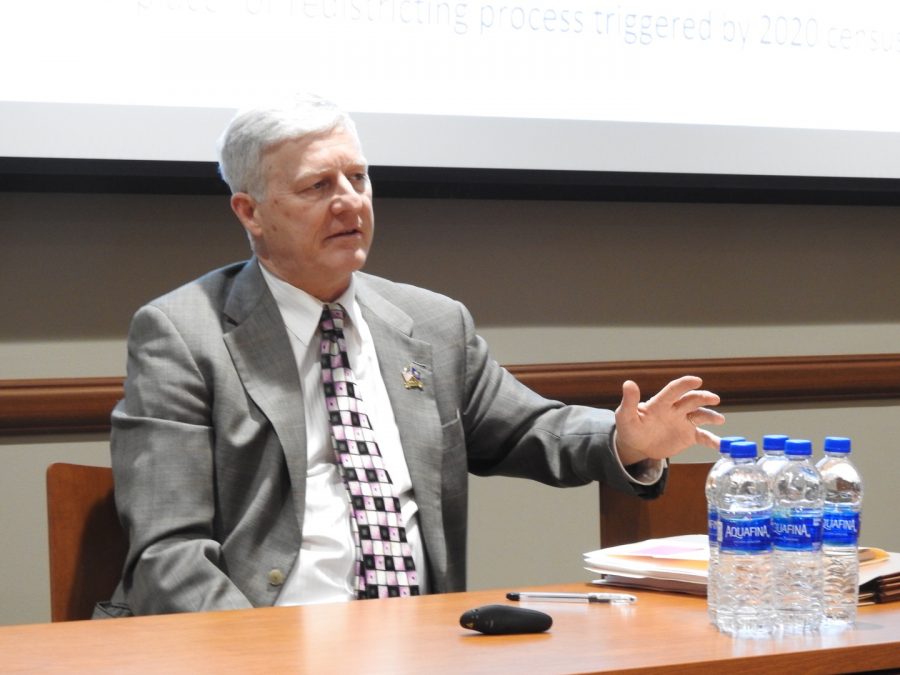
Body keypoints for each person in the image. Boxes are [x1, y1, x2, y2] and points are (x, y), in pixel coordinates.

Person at [96, 93, 724, 617]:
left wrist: (629, 440)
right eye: (318, 185)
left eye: (359, 178)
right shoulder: (182, 333)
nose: (350, 201)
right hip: (262, 638)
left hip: (417, 641)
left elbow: (528, 429)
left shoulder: (430, 323)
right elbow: (168, 555)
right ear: (250, 212)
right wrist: (263, 655)